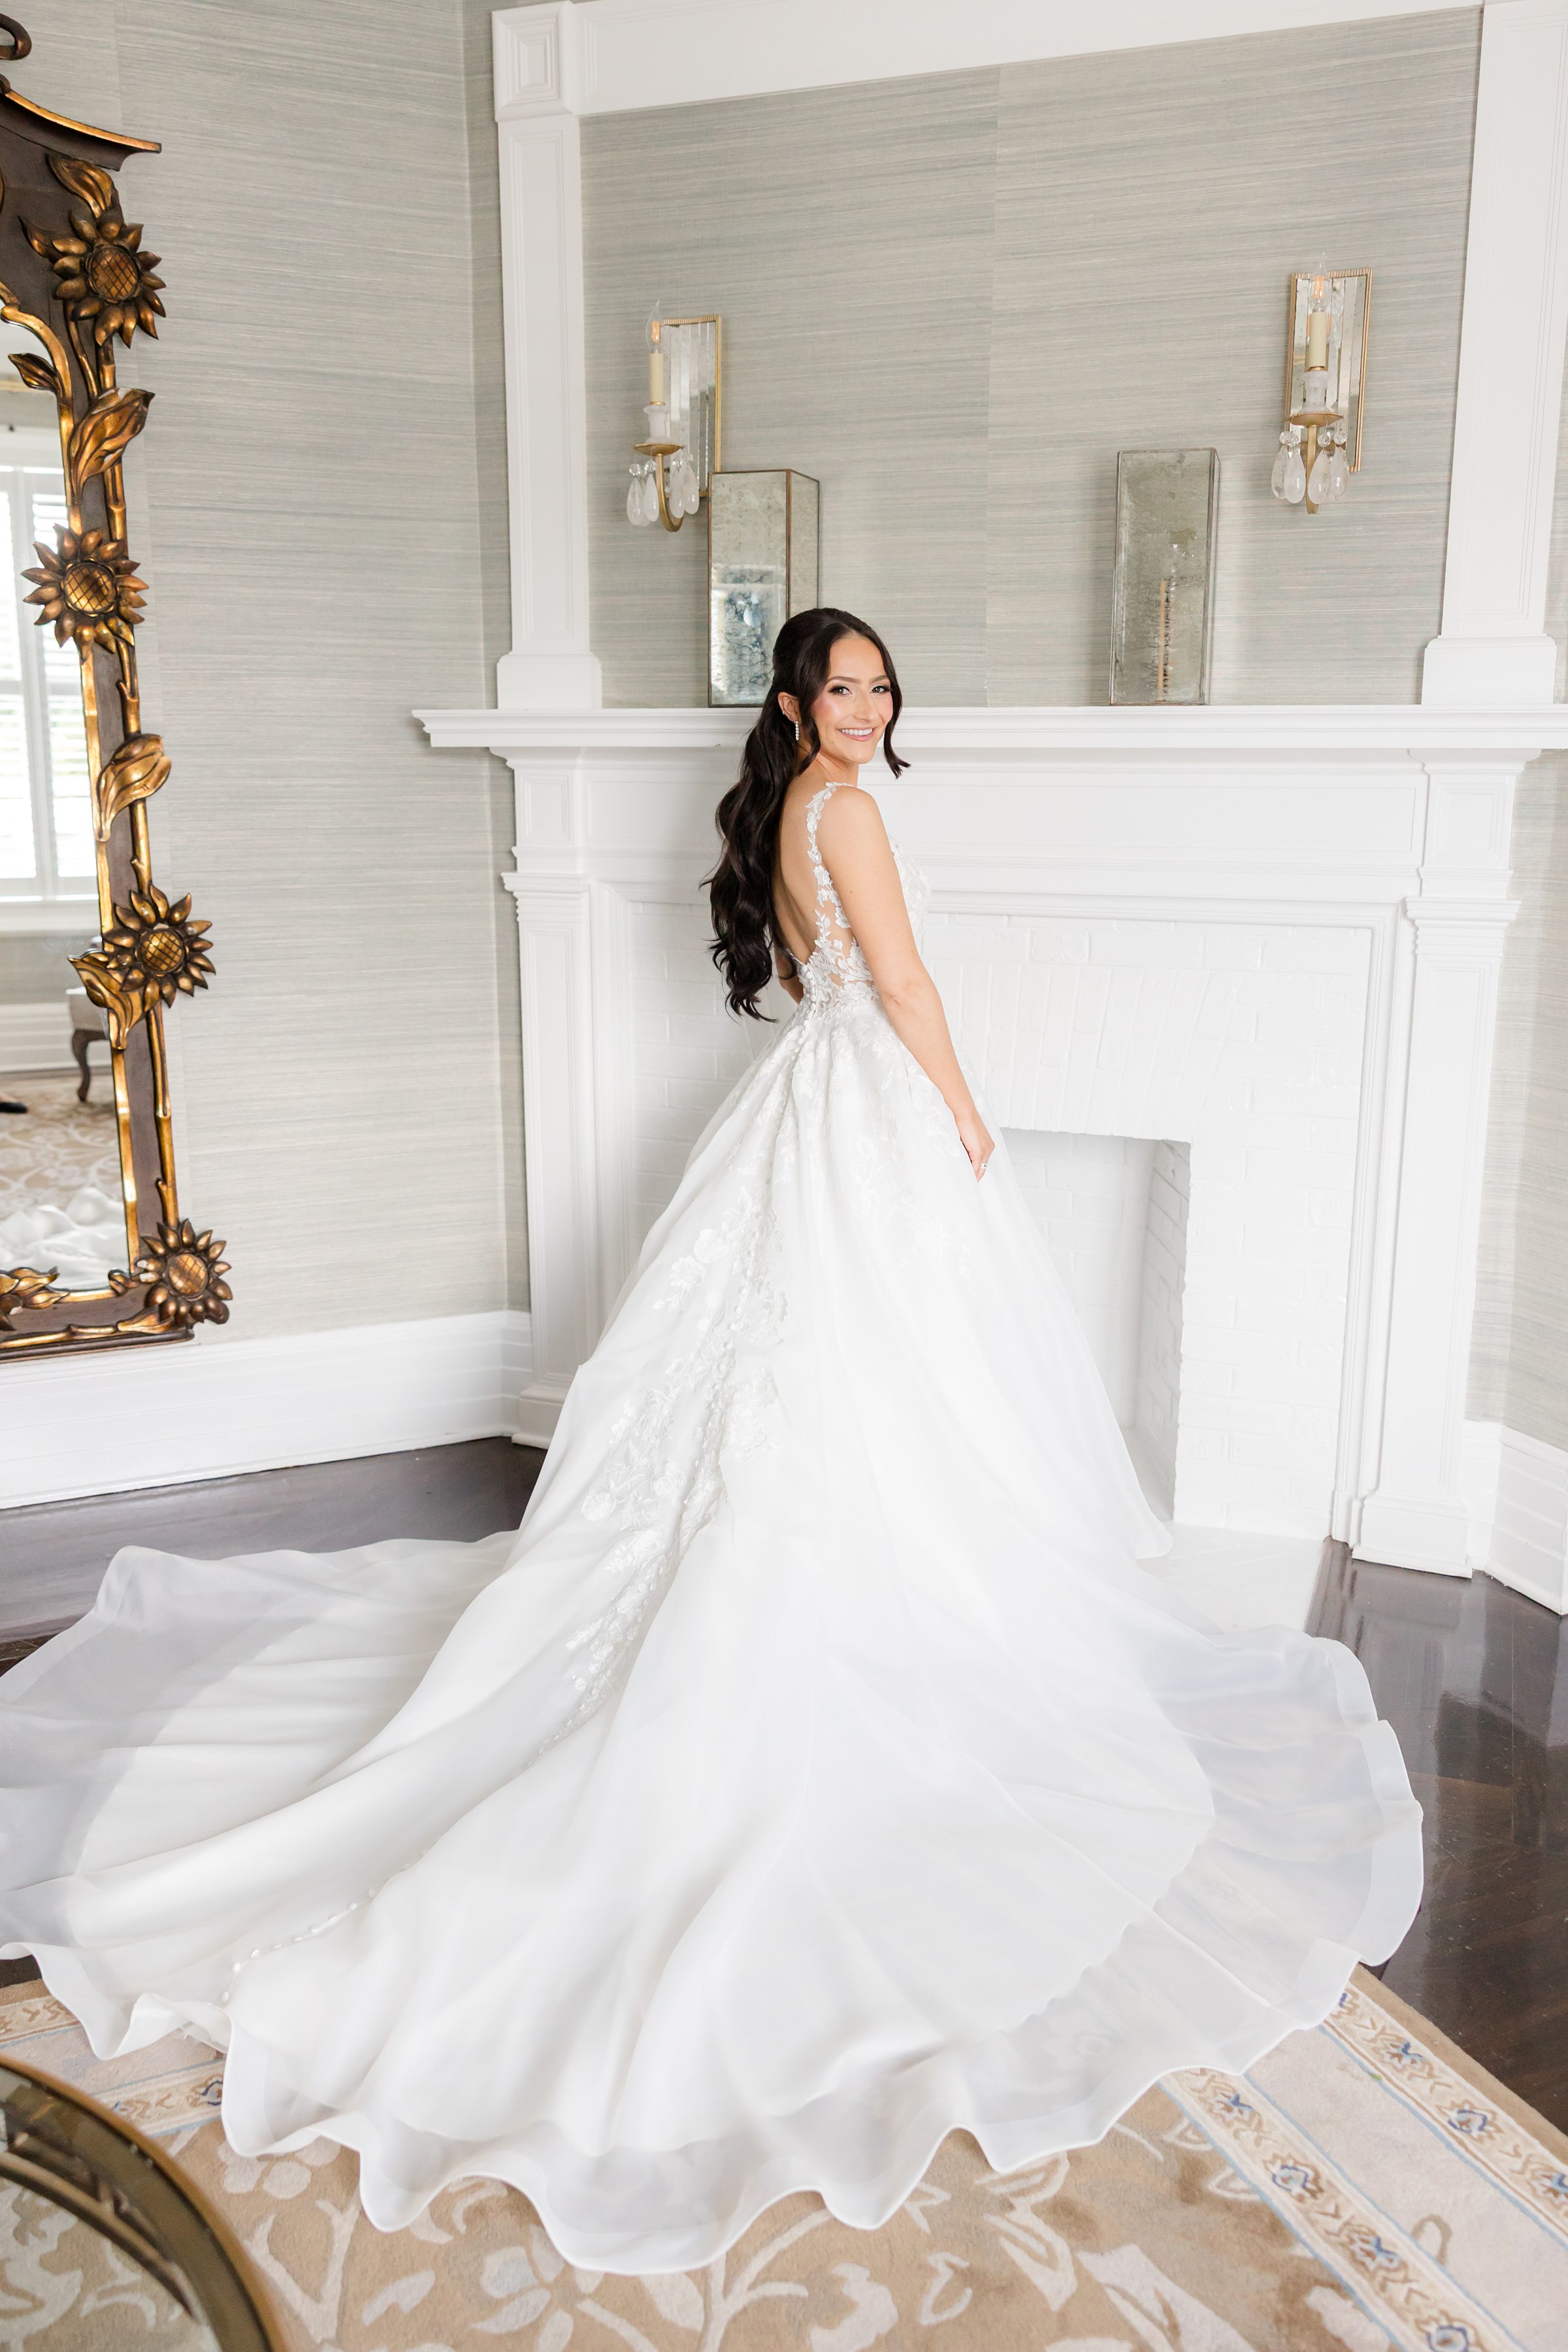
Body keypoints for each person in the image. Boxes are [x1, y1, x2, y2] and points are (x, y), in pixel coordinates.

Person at [0, 607, 1423, 2277]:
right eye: (844, 686)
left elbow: (835, 975)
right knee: (864, 1383)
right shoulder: (857, 814)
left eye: (885, 686)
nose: (869, 707)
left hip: (807, 1115)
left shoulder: (791, 818)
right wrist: (967, 1111)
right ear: (795, 699)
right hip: (871, 1108)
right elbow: (899, 982)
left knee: (798, 1384)